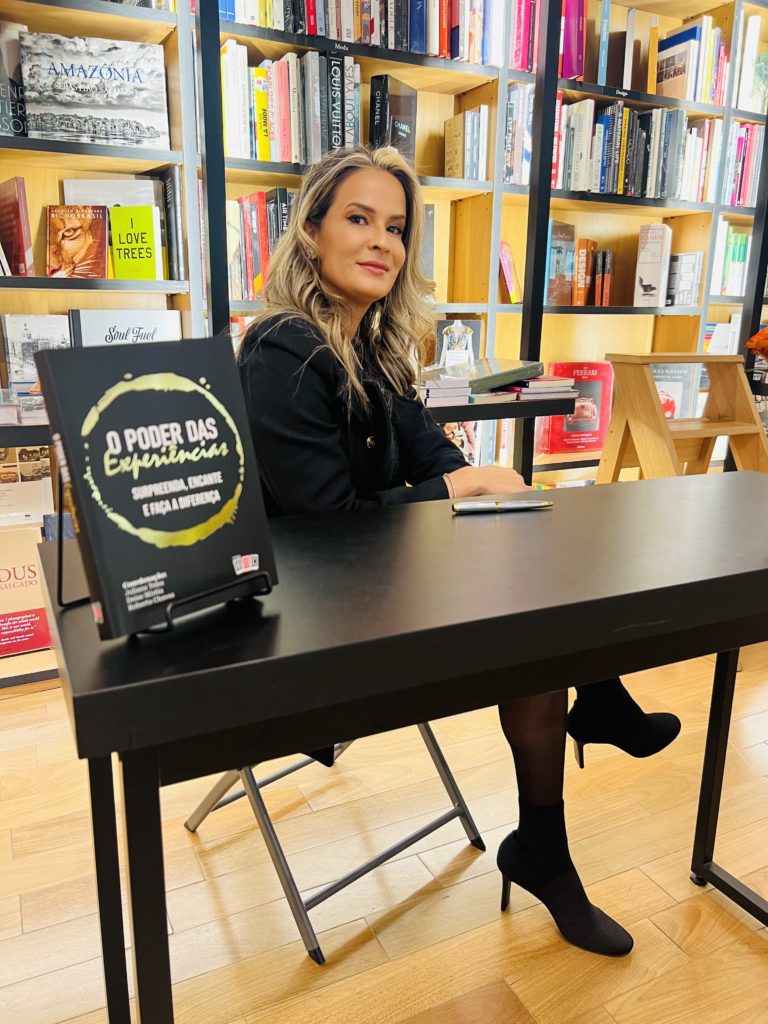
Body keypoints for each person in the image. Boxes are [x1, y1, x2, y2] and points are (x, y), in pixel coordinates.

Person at [238, 145, 680, 958]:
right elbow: (328, 525)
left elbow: (430, 455)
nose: (382, 243)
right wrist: (457, 491)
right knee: (528, 625)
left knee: (523, 531)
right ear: (309, 232)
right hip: (314, 618)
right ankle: (580, 752)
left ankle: (558, 807)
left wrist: (481, 482)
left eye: (397, 228)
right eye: (359, 220)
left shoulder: (367, 346)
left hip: (378, 579)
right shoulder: (281, 353)